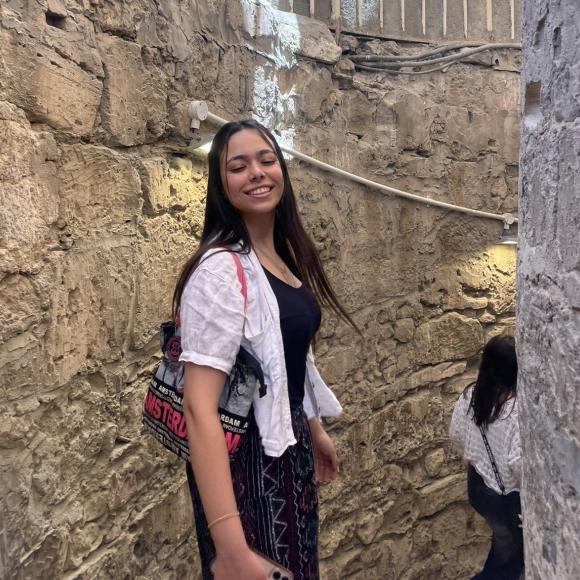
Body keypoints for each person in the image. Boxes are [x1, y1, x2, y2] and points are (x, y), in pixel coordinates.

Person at [173, 119, 357, 580]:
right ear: (222, 185)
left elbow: (286, 357)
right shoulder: (219, 271)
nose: (256, 172)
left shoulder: (278, 256)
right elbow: (198, 409)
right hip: (248, 467)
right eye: (238, 166)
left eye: (266, 160)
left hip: (288, 449)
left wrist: (313, 428)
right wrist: (231, 548)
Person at [449, 334, 524, 580]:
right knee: (508, 566)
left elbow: (456, 437)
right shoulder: (514, 414)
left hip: (478, 487)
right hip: (504, 501)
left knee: (502, 545)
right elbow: (517, 466)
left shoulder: (470, 397)